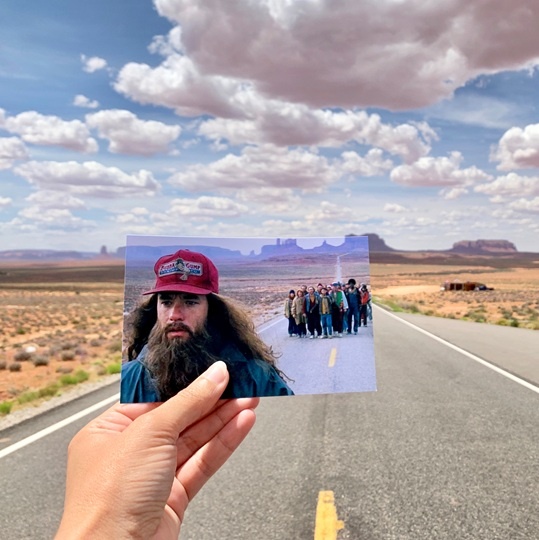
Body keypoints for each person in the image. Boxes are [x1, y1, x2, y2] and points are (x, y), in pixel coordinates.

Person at [56, 362, 259, 540]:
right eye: (162, 313)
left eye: (188, 313)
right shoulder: (136, 373)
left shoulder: (252, 366)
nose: (173, 315)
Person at [121, 249, 293, 401]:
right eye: (166, 302)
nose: (174, 315)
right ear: (155, 308)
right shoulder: (131, 378)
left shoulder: (255, 377)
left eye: (190, 302)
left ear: (211, 310)